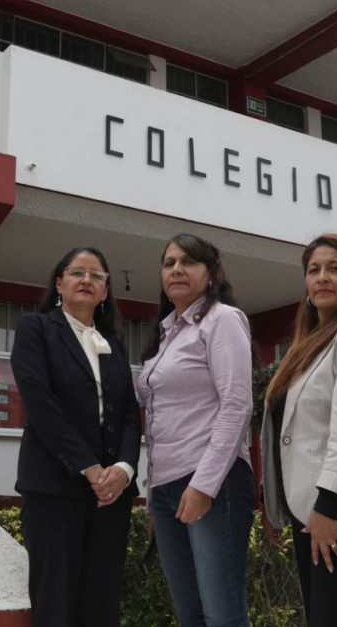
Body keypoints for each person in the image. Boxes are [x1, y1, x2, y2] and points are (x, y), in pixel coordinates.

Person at [259, 234, 337, 626]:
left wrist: (328, 508)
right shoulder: (306, 347)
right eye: (314, 270)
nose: (322, 278)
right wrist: (275, 501)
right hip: (308, 510)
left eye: (334, 268)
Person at [10, 246, 141, 627]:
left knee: (102, 602)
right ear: (59, 284)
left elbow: (130, 415)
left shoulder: (113, 344)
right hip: (54, 488)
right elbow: (40, 403)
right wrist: (90, 468)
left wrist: (123, 469)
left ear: (105, 291)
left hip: (110, 497)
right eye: (77, 273)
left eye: (96, 276)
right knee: (56, 602)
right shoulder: (34, 329)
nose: (86, 280)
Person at [136, 233, 254, 627]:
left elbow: (237, 405)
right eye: (169, 263)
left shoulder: (222, 320)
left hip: (211, 482)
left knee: (223, 616)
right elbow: (160, 419)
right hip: (168, 488)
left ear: (211, 274)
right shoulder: (168, 332)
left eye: (188, 262)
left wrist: (203, 485)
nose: (176, 270)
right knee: (191, 616)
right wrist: (155, 496)